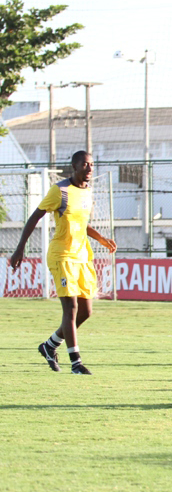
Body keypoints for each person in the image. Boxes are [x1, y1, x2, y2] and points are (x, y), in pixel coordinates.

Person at [9, 151, 116, 374]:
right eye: (85, 164)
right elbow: (35, 217)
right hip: (62, 256)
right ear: (74, 166)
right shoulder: (60, 190)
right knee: (71, 307)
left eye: (92, 165)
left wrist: (101, 239)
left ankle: (50, 345)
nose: (89, 168)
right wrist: (20, 249)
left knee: (86, 311)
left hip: (82, 256)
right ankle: (76, 363)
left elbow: (81, 223)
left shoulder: (87, 193)